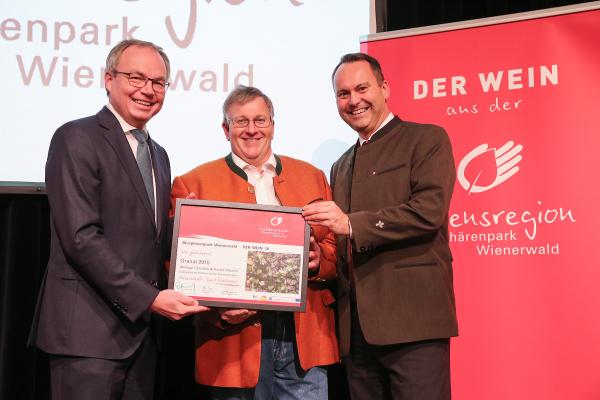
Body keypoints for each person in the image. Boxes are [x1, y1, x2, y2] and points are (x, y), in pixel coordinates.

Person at [28, 39, 207, 400]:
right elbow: (81, 238)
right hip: (86, 337)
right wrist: (150, 299)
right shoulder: (76, 138)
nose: (148, 90)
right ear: (109, 79)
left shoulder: (159, 155)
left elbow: (145, 236)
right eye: (136, 77)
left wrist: (199, 229)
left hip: (140, 339)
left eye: (158, 82)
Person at [302, 53, 458, 400]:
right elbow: (343, 246)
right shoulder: (340, 166)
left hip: (413, 322)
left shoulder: (427, 139)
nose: (354, 100)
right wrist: (318, 262)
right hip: (356, 331)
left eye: (362, 88)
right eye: (343, 94)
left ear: (384, 88)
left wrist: (350, 223)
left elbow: (428, 211)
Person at [170, 85, 339, 400]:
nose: (252, 130)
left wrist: (319, 264)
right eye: (241, 121)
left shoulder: (312, 176)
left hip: (303, 339)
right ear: (226, 129)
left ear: (273, 125)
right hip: (234, 343)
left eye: (260, 120)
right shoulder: (193, 183)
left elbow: (336, 250)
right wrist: (216, 313)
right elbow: (177, 268)